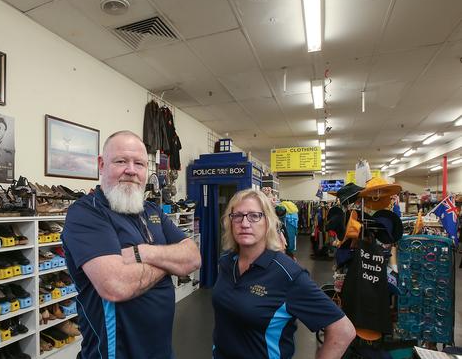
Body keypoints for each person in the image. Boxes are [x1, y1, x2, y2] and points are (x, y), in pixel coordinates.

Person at [61, 130, 201, 359]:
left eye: (140, 163)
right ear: (101, 164)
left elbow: (193, 257)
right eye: (121, 161)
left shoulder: (151, 210)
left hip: (161, 350)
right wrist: (170, 262)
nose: (131, 170)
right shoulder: (87, 212)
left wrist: (141, 253)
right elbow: (116, 285)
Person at [212, 189, 355, 359]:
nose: (244, 223)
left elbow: (343, 330)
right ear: (230, 222)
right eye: (237, 216)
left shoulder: (288, 274)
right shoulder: (227, 261)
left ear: (268, 222)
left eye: (254, 216)